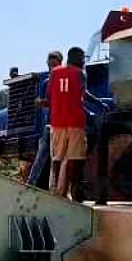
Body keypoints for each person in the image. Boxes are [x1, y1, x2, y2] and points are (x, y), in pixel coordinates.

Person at [46, 46, 98, 201]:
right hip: (75, 121)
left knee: (57, 156)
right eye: (82, 58)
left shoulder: (54, 73)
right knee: (75, 157)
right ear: (75, 58)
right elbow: (82, 95)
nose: (84, 61)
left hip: (57, 122)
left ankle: (55, 188)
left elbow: (50, 97)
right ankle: (73, 191)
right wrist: (98, 103)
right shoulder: (80, 74)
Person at [28, 50, 63, 189]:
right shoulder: (47, 82)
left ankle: (56, 187)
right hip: (51, 123)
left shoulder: (63, 80)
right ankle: (31, 185)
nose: (51, 68)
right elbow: (47, 103)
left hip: (63, 124)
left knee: (59, 158)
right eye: (49, 65)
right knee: (42, 156)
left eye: (54, 65)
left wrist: (42, 102)